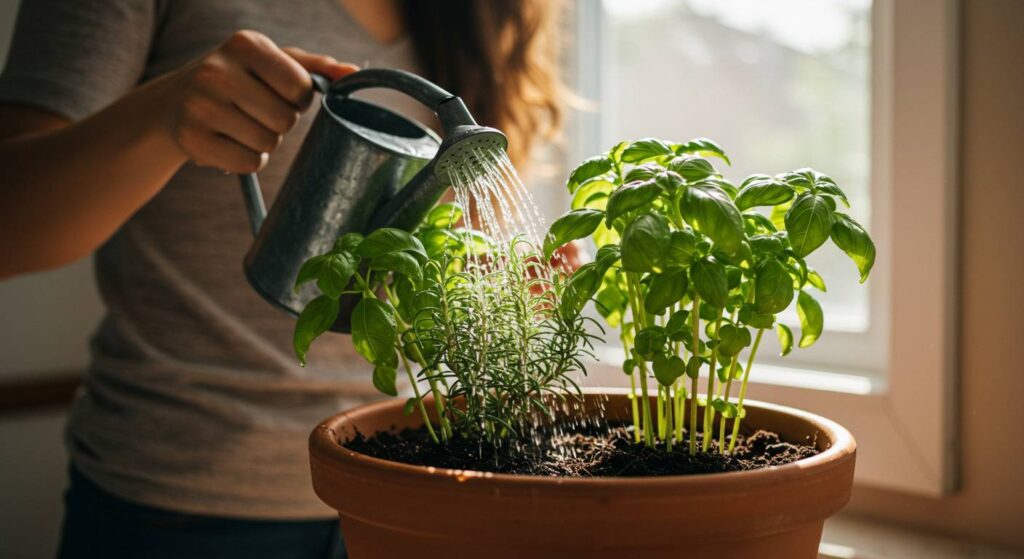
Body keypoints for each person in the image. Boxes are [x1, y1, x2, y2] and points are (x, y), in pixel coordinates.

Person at [0, 1, 562, 557]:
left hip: (412, 492)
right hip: (182, 504)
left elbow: (429, 254)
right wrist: (165, 115)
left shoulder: (491, 14)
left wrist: (496, 287)